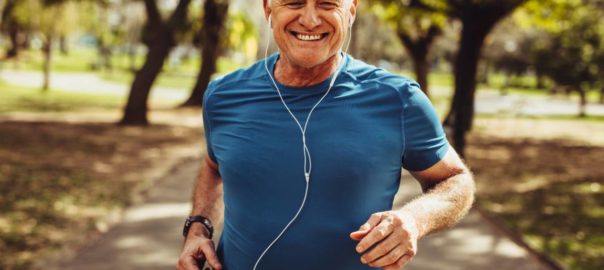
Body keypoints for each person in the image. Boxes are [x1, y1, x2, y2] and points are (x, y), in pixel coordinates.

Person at [177, 0, 475, 269]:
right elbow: (213, 166)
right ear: (268, 9)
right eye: (294, 3)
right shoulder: (223, 96)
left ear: (351, 10)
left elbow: (456, 181)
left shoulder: (398, 99)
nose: (309, 19)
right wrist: (198, 229)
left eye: (327, 4)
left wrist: (414, 220)